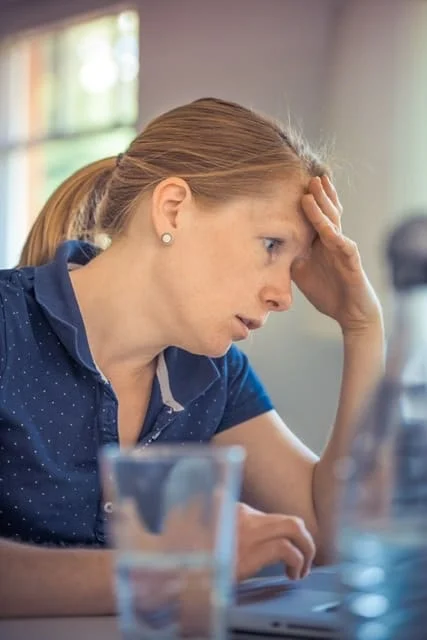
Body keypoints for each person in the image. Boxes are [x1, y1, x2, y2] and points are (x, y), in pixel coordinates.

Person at [0, 97, 384, 618]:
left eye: (293, 265)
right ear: (173, 208)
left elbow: (331, 537)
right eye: (272, 244)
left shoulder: (213, 374)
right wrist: (175, 569)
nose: (284, 295)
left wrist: (362, 328)